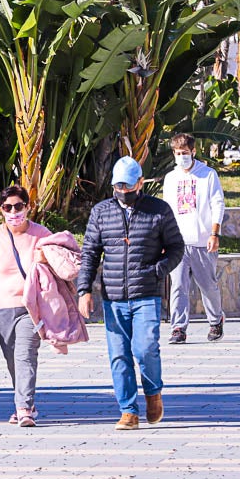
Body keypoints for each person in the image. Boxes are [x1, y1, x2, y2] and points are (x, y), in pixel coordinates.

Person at [77, 156, 185, 430]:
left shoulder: (159, 210)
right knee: (119, 355)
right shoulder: (102, 212)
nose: (123, 192)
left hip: (146, 293)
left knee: (146, 348)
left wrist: (157, 271)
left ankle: (153, 393)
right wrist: (84, 290)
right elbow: (89, 252)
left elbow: (176, 248)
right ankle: (128, 411)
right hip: (113, 297)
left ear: (140, 182)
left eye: (128, 186)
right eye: (118, 187)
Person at [0, 186, 50, 428]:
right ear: (0, 210)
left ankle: (23, 408)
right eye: (7, 207)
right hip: (0, 308)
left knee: (25, 355)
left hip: (30, 308)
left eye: (18, 206)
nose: (13, 212)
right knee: (13, 360)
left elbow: (58, 264)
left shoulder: (42, 235)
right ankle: (26, 402)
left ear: (28, 207)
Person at [162, 133, 226, 343]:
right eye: (178, 154)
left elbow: (218, 204)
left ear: (194, 152)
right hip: (178, 243)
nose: (182, 157)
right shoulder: (171, 179)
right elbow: (167, 211)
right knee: (178, 286)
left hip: (203, 242)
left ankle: (216, 321)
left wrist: (214, 233)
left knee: (208, 286)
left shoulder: (207, 175)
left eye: (186, 153)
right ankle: (178, 328)